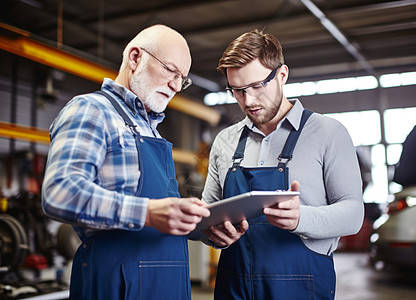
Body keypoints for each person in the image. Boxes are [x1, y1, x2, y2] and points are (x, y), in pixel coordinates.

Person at [41, 24, 210, 300]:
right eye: (171, 70)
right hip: (118, 288)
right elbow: (60, 192)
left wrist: (203, 227)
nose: (177, 86)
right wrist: (147, 212)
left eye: (183, 78)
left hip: (168, 287)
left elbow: (163, 217)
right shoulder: (91, 110)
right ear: (134, 58)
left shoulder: (150, 130)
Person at [201, 29, 364, 300]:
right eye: (238, 91)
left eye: (256, 86)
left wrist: (302, 218)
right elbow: (209, 213)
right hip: (234, 286)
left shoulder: (328, 132)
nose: (248, 100)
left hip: (302, 287)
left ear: (282, 75)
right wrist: (210, 233)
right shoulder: (224, 141)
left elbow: (353, 213)